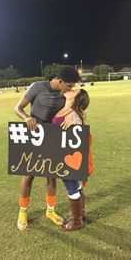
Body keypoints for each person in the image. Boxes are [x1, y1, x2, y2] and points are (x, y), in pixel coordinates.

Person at [14, 66, 79, 231]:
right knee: (29, 174)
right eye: (69, 86)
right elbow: (18, 108)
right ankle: (23, 212)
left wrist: (73, 120)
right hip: (35, 135)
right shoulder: (37, 87)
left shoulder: (65, 94)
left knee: (51, 175)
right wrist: (27, 117)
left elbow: (76, 111)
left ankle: (50, 211)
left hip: (52, 136)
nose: (71, 89)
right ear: (60, 81)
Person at [52, 88, 90, 231]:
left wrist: (75, 123)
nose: (71, 89)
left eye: (74, 91)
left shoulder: (73, 114)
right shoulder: (64, 109)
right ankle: (80, 214)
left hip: (68, 157)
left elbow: (79, 132)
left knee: (71, 186)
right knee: (75, 184)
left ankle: (76, 222)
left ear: (76, 98)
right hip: (62, 154)